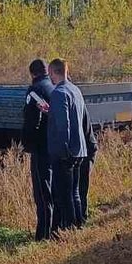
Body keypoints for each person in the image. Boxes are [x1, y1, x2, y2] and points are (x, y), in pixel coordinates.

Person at [46, 58, 88, 233]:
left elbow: (64, 125)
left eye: (50, 74)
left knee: (65, 196)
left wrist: (62, 151)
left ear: (53, 72)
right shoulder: (75, 90)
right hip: (79, 149)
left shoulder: (58, 93)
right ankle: (79, 226)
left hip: (65, 151)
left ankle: (69, 230)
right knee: (75, 192)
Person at [20, 58, 55, 240]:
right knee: (52, 190)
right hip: (54, 147)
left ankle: (43, 235)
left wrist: (27, 145)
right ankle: (55, 229)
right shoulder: (53, 87)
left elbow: (31, 121)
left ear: (32, 73)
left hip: (41, 148)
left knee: (42, 193)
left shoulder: (35, 91)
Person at [78, 104, 97, 223]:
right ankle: (81, 219)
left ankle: (81, 220)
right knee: (80, 189)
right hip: (86, 147)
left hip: (86, 149)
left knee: (80, 189)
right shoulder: (75, 96)